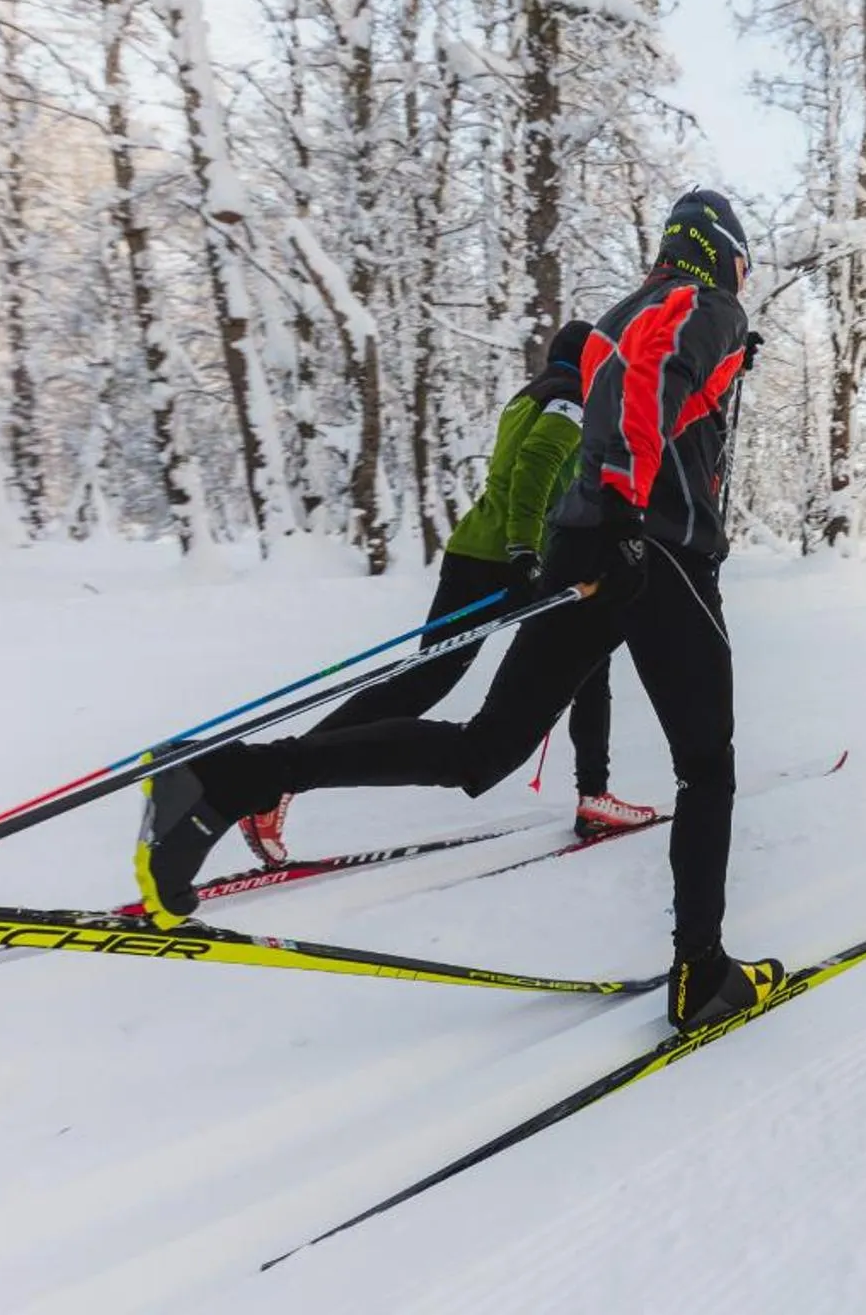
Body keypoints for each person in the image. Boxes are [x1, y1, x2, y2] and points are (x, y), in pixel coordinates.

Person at [136, 190, 781, 1032]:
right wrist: (628, 509)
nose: (742, 283)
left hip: (586, 543)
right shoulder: (706, 302)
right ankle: (701, 971)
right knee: (705, 765)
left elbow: (636, 386)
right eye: (742, 266)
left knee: (484, 749)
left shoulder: (624, 312)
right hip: (655, 550)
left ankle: (226, 779)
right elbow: (650, 377)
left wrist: (623, 497)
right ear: (723, 251)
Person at [232, 320, 654, 867]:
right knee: (456, 678)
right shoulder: (571, 399)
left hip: (478, 554)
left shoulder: (532, 394)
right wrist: (525, 549)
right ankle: (279, 778)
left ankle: (594, 792)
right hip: (509, 562)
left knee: (571, 668)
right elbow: (534, 466)